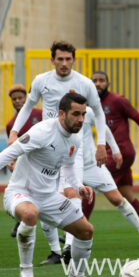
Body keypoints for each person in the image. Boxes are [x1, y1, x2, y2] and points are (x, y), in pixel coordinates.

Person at [7, 41, 107, 265]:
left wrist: (101, 144)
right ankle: (55, 251)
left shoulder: (84, 83)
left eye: (68, 59)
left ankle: (70, 246)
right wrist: (14, 132)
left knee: (73, 192)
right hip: (45, 146)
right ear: (52, 60)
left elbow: (99, 113)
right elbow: (27, 106)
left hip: (72, 148)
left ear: (74, 60)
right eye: (59, 59)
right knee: (43, 195)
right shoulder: (42, 80)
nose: (64, 63)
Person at [1, 92, 102, 277]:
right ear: (61, 113)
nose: (81, 119)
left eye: (83, 114)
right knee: (30, 213)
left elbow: (69, 166)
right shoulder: (42, 131)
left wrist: (78, 186)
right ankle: (26, 272)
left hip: (49, 197)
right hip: (21, 192)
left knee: (86, 231)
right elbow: (9, 153)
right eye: (76, 114)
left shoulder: (75, 139)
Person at [61, 108, 139, 264]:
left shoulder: (87, 111)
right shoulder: (60, 116)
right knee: (74, 199)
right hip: (72, 164)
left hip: (92, 164)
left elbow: (103, 128)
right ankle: (68, 246)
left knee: (116, 198)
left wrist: (115, 150)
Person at [92, 71, 139, 243]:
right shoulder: (92, 105)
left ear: (108, 83)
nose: (98, 84)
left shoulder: (118, 100)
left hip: (121, 153)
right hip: (115, 155)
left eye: (101, 80)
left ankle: (73, 234)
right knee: (127, 194)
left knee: (89, 184)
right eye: (94, 81)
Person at [6, 84, 42, 240]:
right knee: (27, 191)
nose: (18, 101)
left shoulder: (39, 114)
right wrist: (12, 161)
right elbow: (14, 148)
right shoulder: (11, 125)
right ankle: (23, 219)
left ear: (26, 99)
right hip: (26, 164)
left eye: (20, 98)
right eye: (14, 99)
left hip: (43, 161)